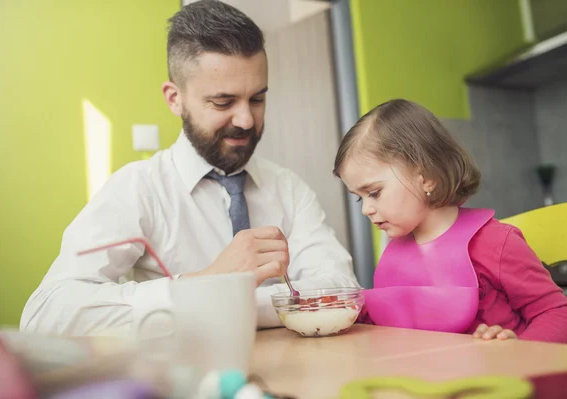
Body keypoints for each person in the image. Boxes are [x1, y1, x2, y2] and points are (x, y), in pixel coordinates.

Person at [20, 0, 358, 336]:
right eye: (223, 102)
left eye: (257, 99)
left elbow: (340, 288)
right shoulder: (137, 189)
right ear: (174, 99)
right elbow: (46, 312)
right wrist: (208, 285)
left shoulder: (289, 188)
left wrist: (227, 305)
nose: (245, 119)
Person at [333, 98, 567, 343]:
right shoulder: (394, 248)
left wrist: (520, 350)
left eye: (374, 193)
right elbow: (389, 318)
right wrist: (343, 308)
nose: (366, 209)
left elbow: (558, 313)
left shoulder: (495, 243)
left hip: (498, 378)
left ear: (427, 176)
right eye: (359, 198)